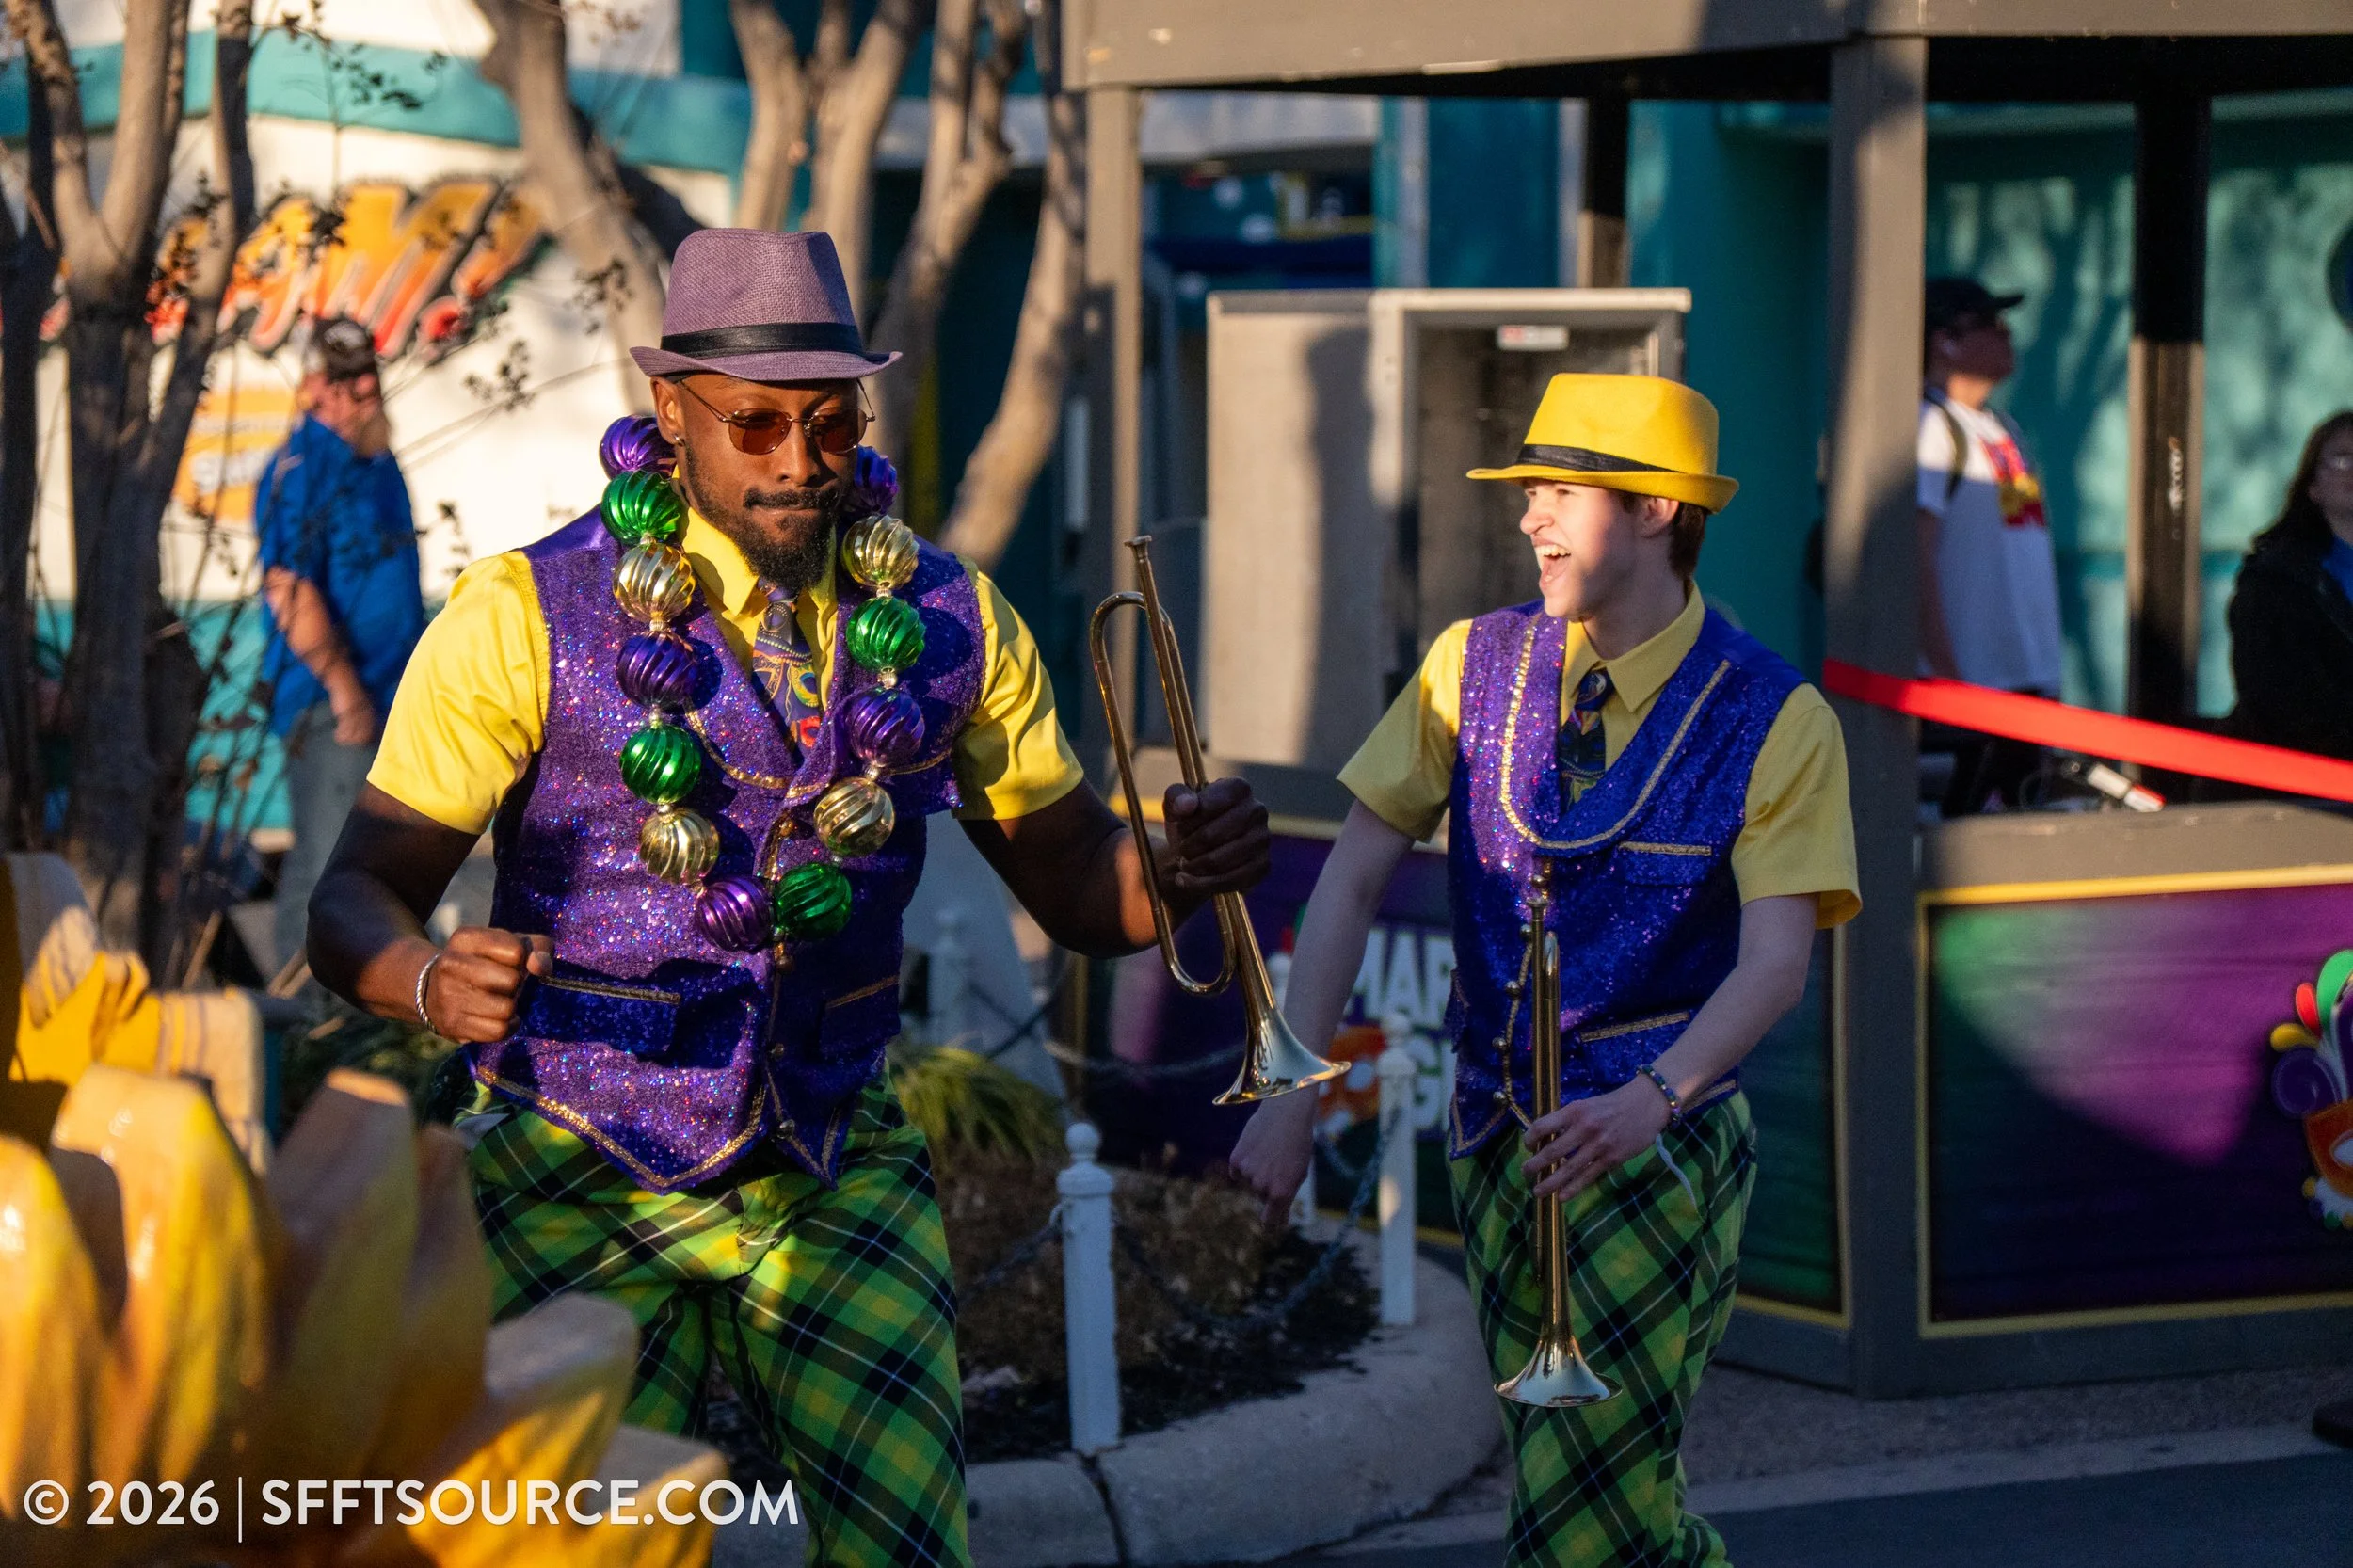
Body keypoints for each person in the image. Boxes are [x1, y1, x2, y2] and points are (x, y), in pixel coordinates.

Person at [304, 229, 1273, 1568]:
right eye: (755, 422)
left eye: (828, 423)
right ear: (672, 415)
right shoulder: (522, 613)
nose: (796, 460)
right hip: (575, 1160)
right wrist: (420, 978)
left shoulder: (951, 620)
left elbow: (1079, 886)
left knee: (913, 1546)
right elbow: (355, 891)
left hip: (832, 1162)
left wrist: (1172, 871)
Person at [1230, 375, 1858, 1567]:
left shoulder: (1778, 716)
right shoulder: (1468, 662)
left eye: (1559, 491)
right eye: (1528, 491)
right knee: (1598, 1495)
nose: (1528, 517)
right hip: (1495, 1140)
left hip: (1657, 1150)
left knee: (1586, 1506)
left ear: (1660, 510)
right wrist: (1291, 1098)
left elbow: (1777, 962)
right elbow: (1353, 876)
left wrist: (1650, 1100)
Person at [256, 315, 423, 978]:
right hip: (333, 705)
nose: (358, 394)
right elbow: (287, 585)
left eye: (366, 379)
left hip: (389, 697)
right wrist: (343, 686)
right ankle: (294, 1026)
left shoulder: (376, 460)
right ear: (309, 387)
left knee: (375, 868)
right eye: (340, 381)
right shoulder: (299, 469)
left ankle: (352, 1020)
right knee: (325, 866)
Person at [1916, 276, 2063, 814]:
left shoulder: (2003, 428)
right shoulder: (1929, 426)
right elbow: (1915, 559)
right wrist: (1949, 678)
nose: (2008, 335)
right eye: (1992, 324)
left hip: (2023, 687)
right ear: (1945, 340)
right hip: (1970, 693)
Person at [2227, 410, 2353, 760]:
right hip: (2303, 786)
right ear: (2312, 486)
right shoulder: (2275, 580)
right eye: (2343, 459)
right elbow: (2274, 697)